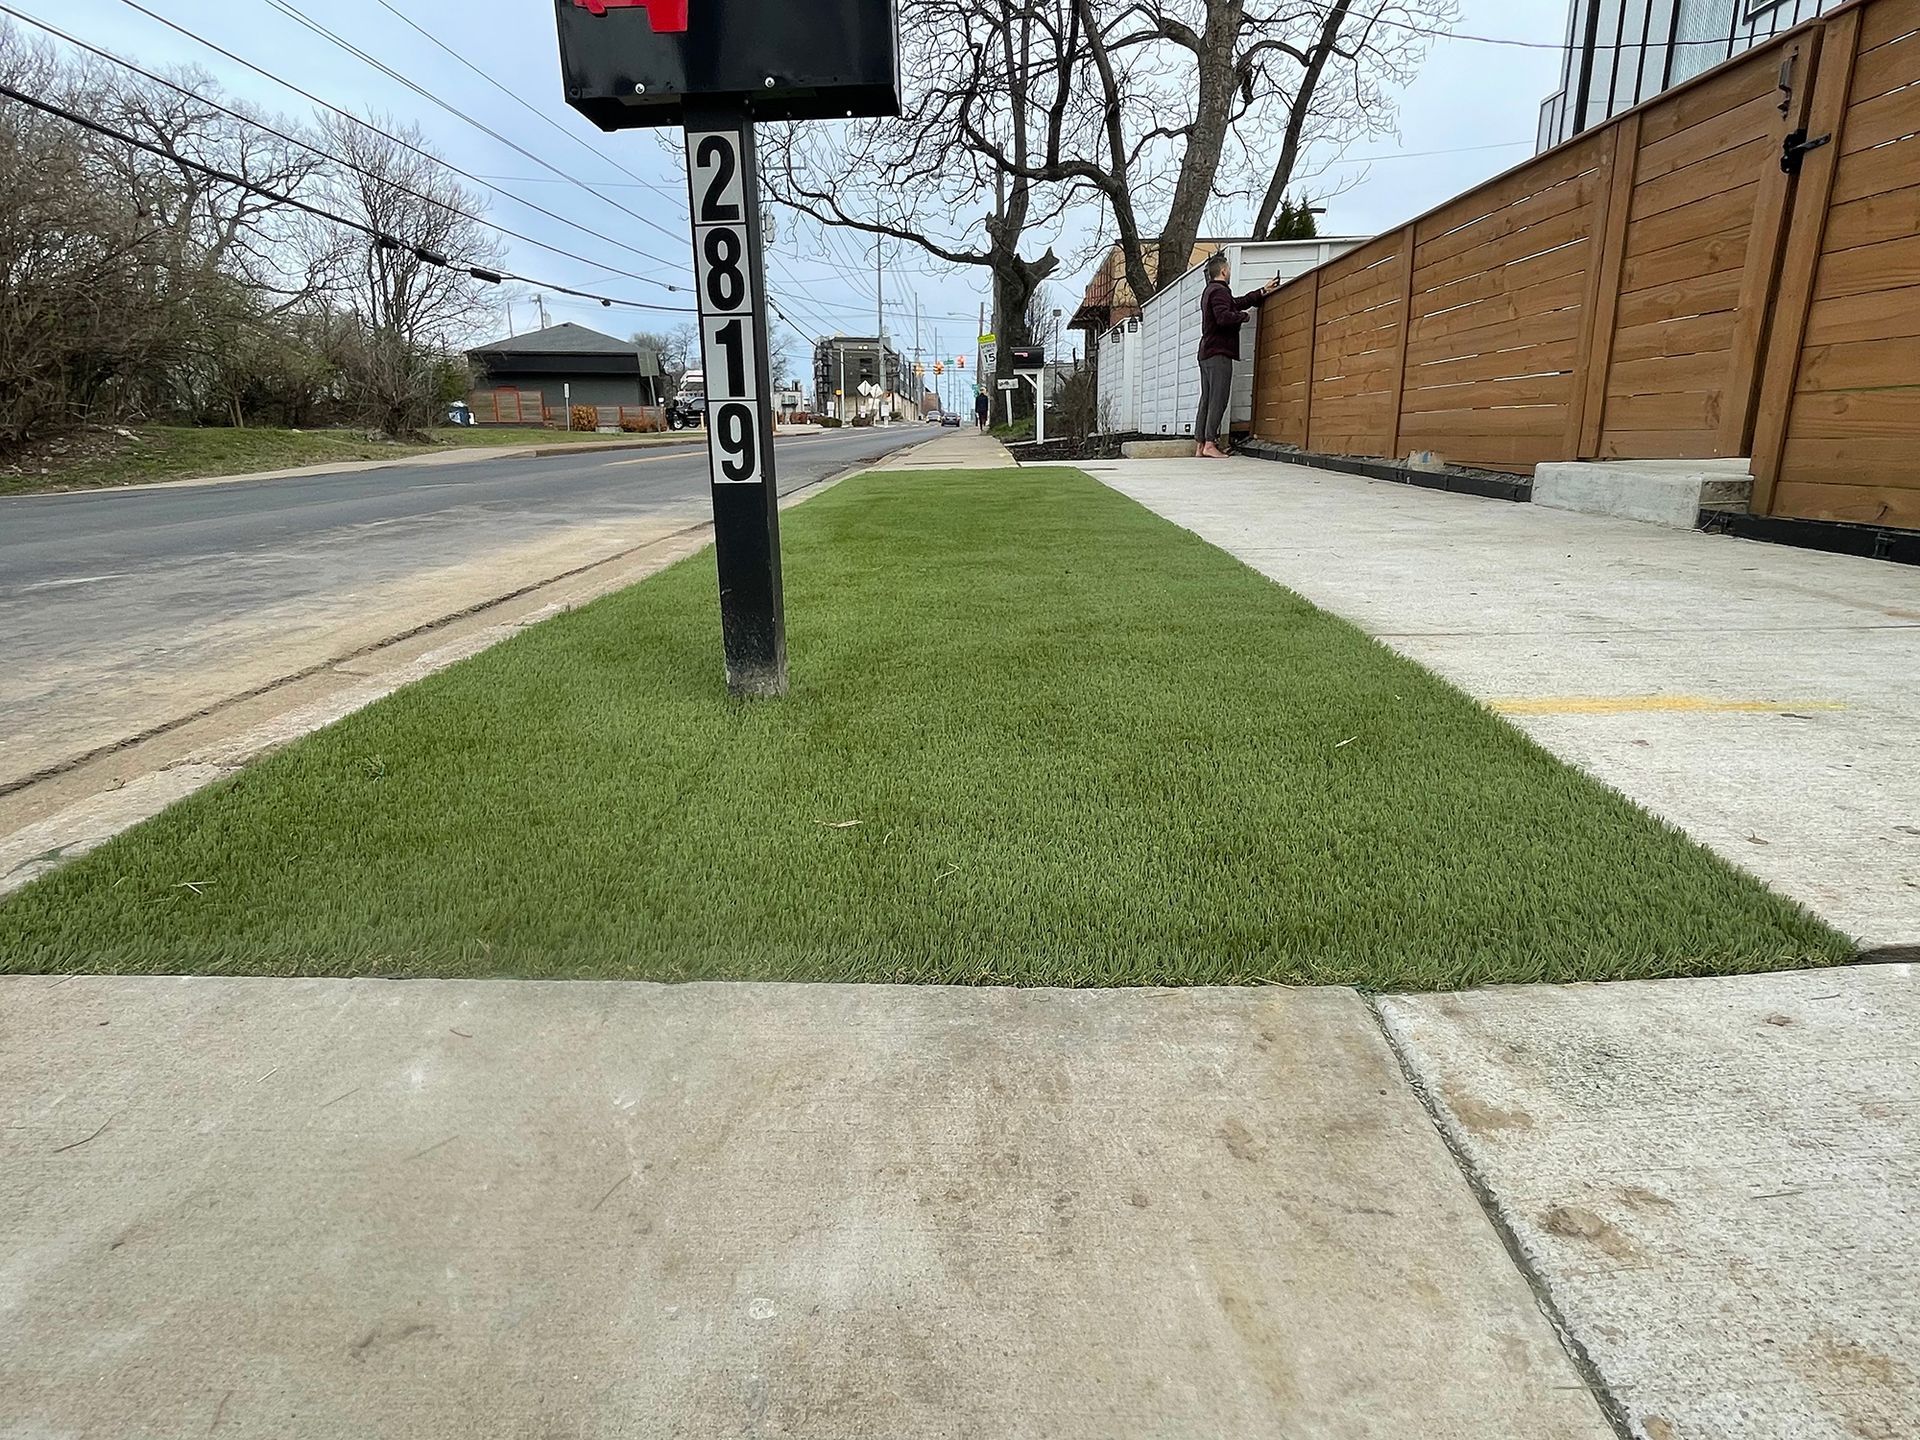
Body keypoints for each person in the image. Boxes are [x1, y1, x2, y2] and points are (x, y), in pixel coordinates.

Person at [1195, 254, 1277, 459]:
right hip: (1218, 352)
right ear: (1223, 271)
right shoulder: (1219, 291)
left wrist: (1262, 291)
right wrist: (1243, 316)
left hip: (1207, 352)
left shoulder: (1211, 291)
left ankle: (1200, 444)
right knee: (1218, 398)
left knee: (1206, 398)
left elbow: (1236, 302)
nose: (1229, 272)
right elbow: (1224, 317)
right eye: (1229, 269)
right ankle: (1210, 443)